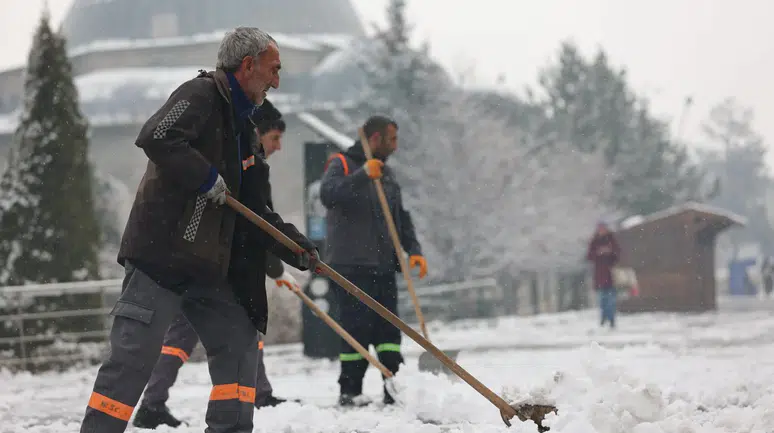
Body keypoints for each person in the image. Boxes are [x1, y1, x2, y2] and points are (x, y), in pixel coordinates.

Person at [78, 27, 319, 433]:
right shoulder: (202, 94)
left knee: (240, 344)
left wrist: (293, 247)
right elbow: (156, 135)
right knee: (132, 360)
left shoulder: (247, 130)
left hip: (210, 268)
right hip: (163, 257)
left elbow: (256, 210)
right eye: (274, 70)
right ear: (248, 66)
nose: (277, 81)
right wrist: (205, 176)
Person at [131, 101, 299, 429]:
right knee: (236, 334)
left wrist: (276, 267)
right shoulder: (243, 165)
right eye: (275, 137)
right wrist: (276, 267)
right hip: (210, 269)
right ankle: (157, 403)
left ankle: (155, 402)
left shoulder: (246, 163)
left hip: (200, 264)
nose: (279, 146)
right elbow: (258, 225)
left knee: (196, 339)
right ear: (258, 134)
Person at [319, 115, 427, 407]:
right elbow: (328, 195)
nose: (396, 145)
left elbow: (399, 216)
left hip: (382, 265)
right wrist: (362, 175)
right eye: (392, 139)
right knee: (357, 328)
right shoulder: (341, 164)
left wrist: (413, 249)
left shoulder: (386, 174)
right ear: (376, 139)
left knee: (388, 331)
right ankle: (350, 389)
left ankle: (394, 387)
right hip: (350, 267)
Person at [586, 221, 621, 328]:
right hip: (600, 276)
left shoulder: (611, 239)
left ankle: (611, 319)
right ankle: (603, 317)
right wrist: (598, 253)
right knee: (602, 300)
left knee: (611, 300)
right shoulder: (594, 241)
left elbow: (618, 254)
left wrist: (609, 252)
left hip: (611, 275)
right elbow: (589, 256)